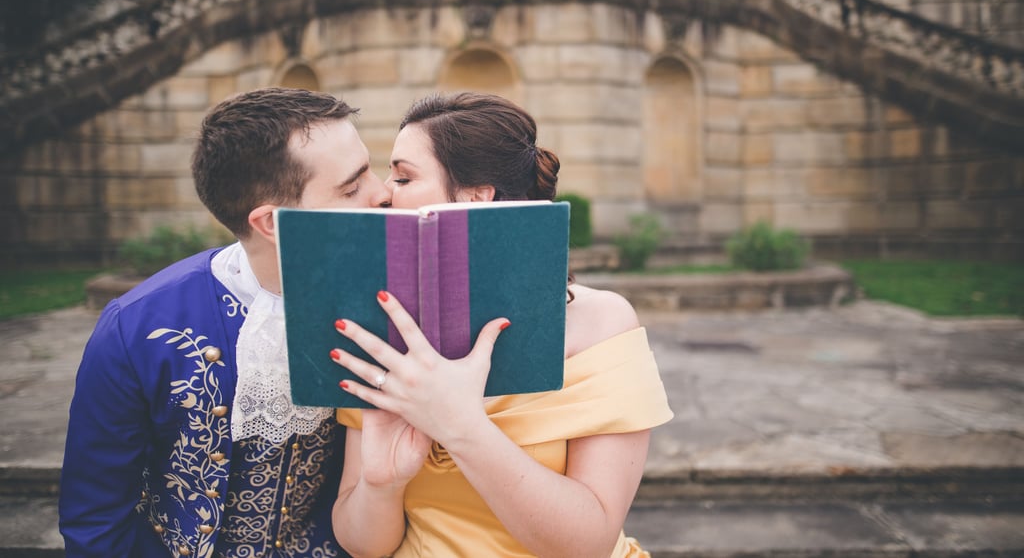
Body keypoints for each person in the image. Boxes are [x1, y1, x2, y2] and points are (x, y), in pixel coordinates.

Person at [329, 92, 674, 558]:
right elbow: (363, 545)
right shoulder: (382, 325)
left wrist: (461, 427)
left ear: (477, 195)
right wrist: (381, 484)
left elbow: (586, 543)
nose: (385, 193)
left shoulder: (602, 323)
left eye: (404, 176)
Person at [60, 87, 390, 557]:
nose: (383, 194)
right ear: (272, 223)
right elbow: (95, 519)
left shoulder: (390, 305)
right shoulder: (135, 331)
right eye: (352, 186)